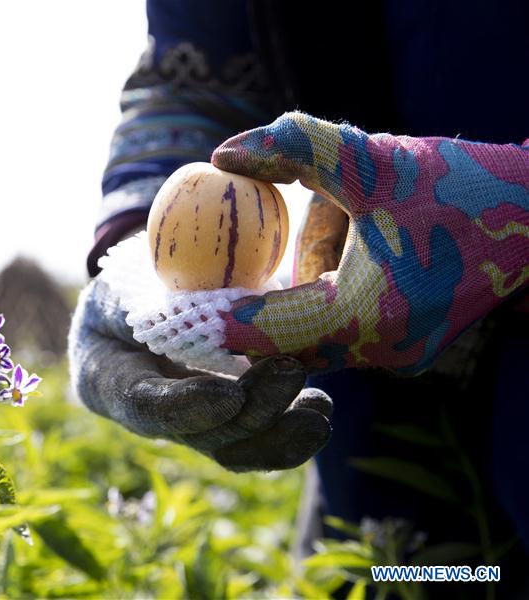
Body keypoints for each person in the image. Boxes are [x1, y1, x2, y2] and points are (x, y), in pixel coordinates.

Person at [68, 1, 529, 597]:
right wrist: (134, 259)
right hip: (355, 400)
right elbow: (196, 76)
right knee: (402, 574)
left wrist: (514, 206)